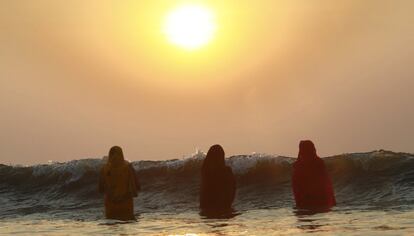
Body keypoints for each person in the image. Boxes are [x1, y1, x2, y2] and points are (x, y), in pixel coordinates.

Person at [99, 146, 141, 220]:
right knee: (126, 224)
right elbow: (136, 186)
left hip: (112, 203)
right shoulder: (128, 167)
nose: (115, 157)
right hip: (124, 203)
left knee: (112, 226)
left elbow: (101, 188)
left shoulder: (104, 168)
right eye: (114, 154)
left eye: (116, 154)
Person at [292, 140, 336, 209]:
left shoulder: (318, 163)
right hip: (309, 202)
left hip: (315, 201)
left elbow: (326, 183)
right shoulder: (299, 165)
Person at [200, 144, 236, 212]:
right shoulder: (226, 171)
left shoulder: (205, 171)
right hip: (222, 208)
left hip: (206, 209)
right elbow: (232, 190)